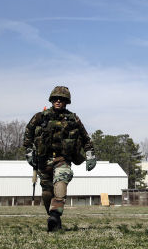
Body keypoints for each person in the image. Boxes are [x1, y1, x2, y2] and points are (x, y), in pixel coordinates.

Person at [23, 86, 97, 232]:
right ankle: (53, 218)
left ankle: (55, 215)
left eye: (61, 99)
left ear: (66, 102)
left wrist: (90, 156)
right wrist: (29, 152)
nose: (58, 101)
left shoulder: (73, 119)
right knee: (46, 193)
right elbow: (28, 136)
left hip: (63, 159)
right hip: (43, 161)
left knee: (61, 182)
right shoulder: (40, 117)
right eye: (56, 98)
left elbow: (85, 139)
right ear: (51, 100)